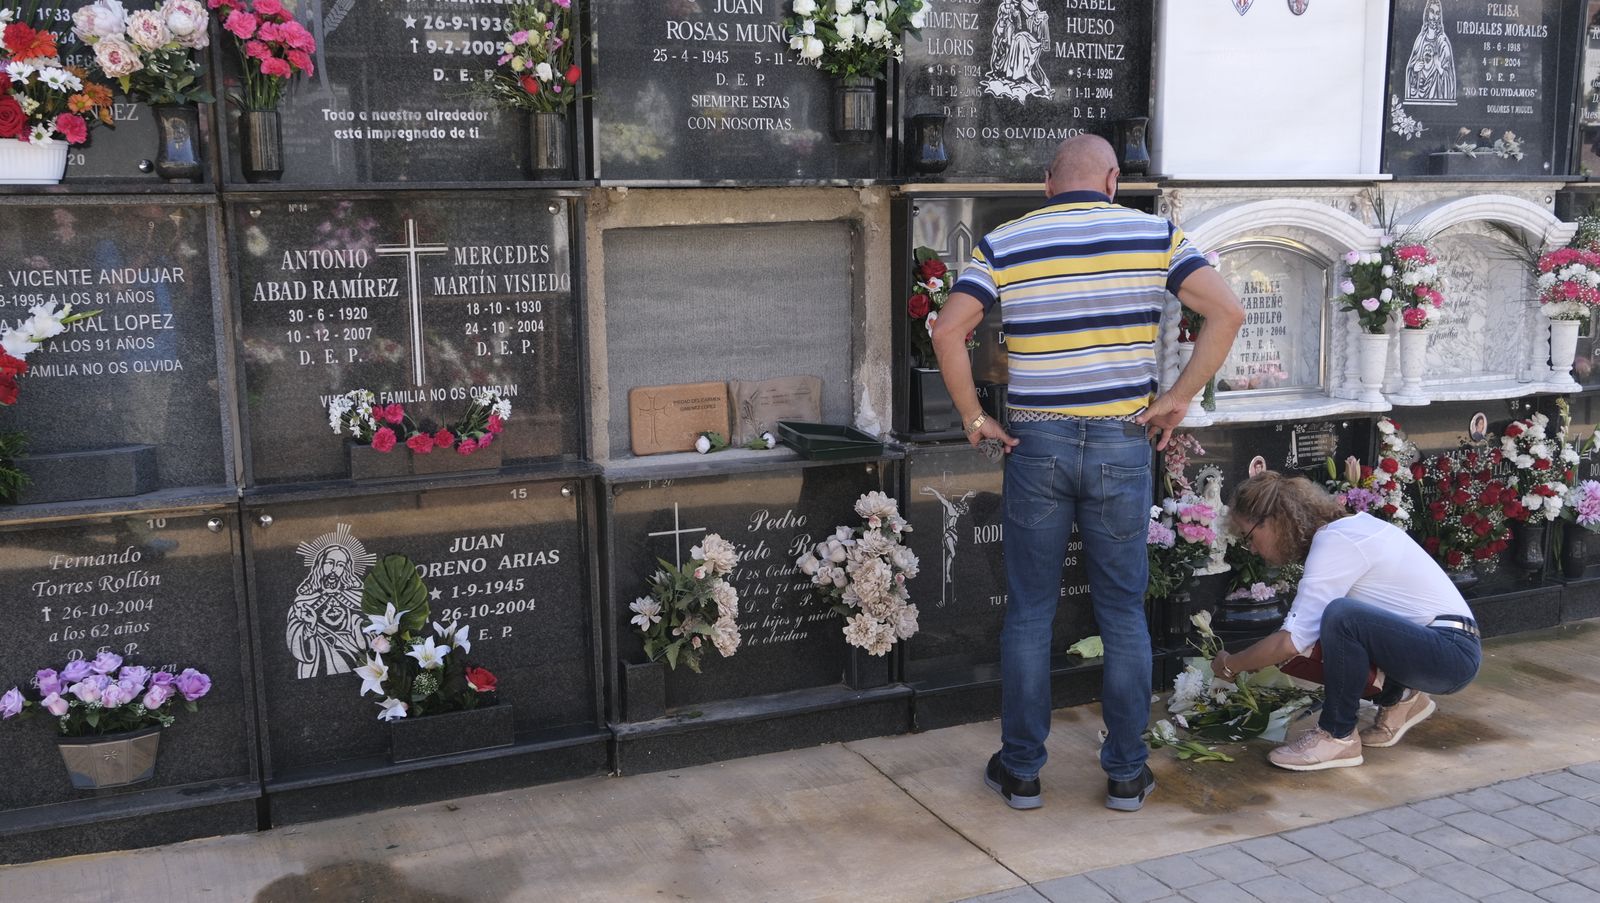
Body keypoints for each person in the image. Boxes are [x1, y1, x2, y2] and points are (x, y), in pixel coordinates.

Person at [931, 134, 1245, 811]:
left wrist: (974, 415)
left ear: (1048, 183)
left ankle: (1021, 771)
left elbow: (947, 328)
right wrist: (1179, 396)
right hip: (1121, 443)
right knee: (1123, 613)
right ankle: (1127, 772)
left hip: (1036, 442)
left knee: (1030, 612)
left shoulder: (1006, 241)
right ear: (1110, 181)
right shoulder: (1156, 235)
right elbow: (1228, 310)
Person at [1213, 472, 1482, 771]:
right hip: (1447, 645)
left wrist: (1231, 663)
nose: (1251, 549)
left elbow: (1292, 641)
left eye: (1248, 536)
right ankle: (1403, 697)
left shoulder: (1335, 542)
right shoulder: (1350, 529)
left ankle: (1337, 736)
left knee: (1341, 616)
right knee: (1336, 620)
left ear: (1273, 520)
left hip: (1450, 654)